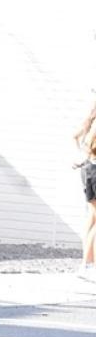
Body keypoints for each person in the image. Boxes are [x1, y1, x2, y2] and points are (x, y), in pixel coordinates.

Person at [75, 100, 96, 281]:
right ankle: (88, 265)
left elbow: (75, 137)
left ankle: (86, 265)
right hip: (94, 171)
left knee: (92, 218)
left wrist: (81, 158)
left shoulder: (89, 122)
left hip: (88, 169)